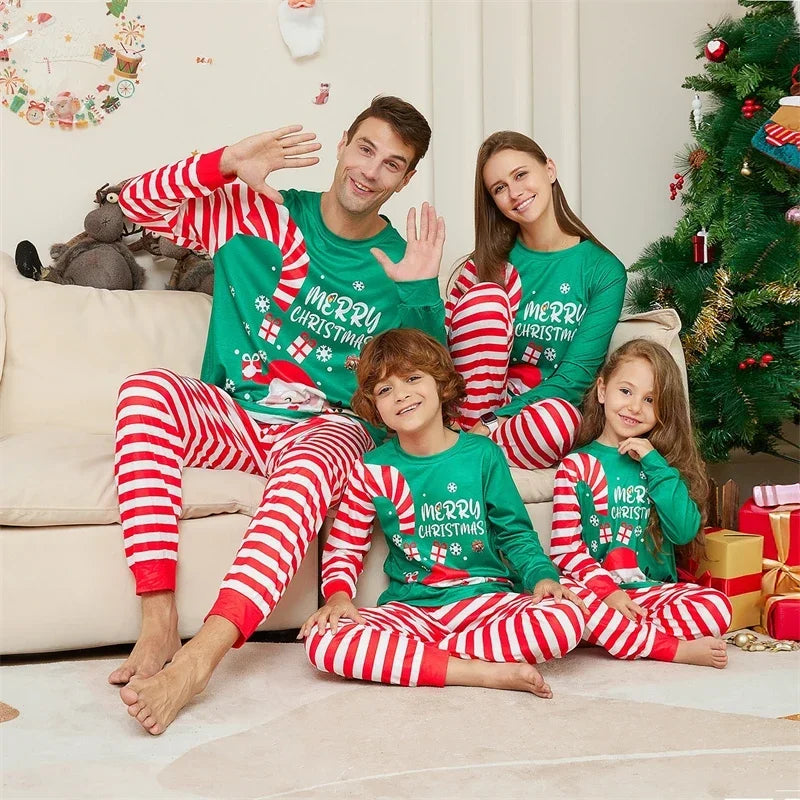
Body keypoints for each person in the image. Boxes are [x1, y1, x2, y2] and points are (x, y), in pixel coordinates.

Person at [110, 96, 448, 735]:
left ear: (405, 181)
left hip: (326, 429)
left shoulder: (400, 263)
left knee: (317, 462)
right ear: (345, 143)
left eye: (392, 165)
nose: (371, 171)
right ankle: (156, 626)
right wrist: (225, 162)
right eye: (366, 149)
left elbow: (433, 385)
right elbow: (132, 208)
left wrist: (420, 292)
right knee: (145, 390)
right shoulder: (255, 210)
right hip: (236, 413)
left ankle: (202, 657)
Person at [300, 328, 587, 696]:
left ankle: (422, 661)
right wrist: (338, 595)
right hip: (412, 609)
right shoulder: (370, 469)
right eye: (385, 390)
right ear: (375, 405)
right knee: (324, 643)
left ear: (440, 384)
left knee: (566, 618)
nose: (400, 394)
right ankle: (479, 672)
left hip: (485, 603)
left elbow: (515, 534)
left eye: (412, 378)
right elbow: (344, 546)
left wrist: (543, 578)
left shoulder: (482, 455)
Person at [446, 131, 627, 471]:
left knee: (560, 422)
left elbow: (574, 378)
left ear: (550, 170)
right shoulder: (484, 266)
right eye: (499, 188)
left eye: (520, 175)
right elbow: (443, 351)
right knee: (485, 298)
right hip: (472, 408)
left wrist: (493, 423)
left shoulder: (604, 271)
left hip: (533, 419)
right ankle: (463, 442)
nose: (515, 193)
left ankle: (466, 451)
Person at [550, 339, 732, 667]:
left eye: (650, 399)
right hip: (597, 591)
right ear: (602, 391)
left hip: (648, 594)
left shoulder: (660, 466)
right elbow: (565, 551)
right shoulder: (576, 466)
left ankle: (617, 635)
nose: (635, 407)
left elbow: (684, 531)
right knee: (561, 603)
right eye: (626, 391)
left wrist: (654, 463)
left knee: (716, 607)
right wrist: (609, 593)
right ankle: (668, 648)